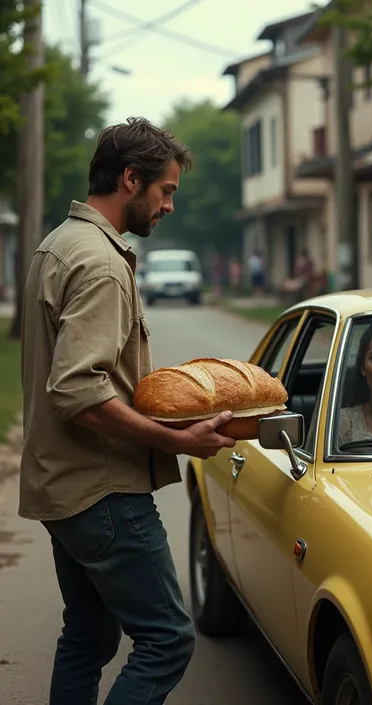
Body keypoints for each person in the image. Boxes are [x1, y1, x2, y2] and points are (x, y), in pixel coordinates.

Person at [19, 117, 237, 705]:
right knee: (167, 638)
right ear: (131, 179)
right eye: (165, 191)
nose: (169, 206)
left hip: (64, 486)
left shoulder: (59, 243)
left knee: (88, 636)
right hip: (104, 491)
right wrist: (178, 441)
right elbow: (76, 390)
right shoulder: (101, 264)